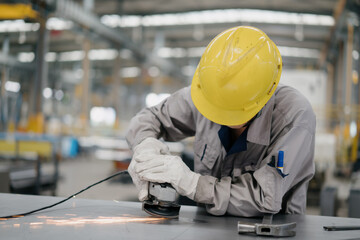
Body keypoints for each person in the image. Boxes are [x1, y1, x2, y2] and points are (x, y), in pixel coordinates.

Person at [126, 26, 316, 217]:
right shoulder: (207, 94)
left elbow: (265, 197)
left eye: (233, 112)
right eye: (219, 109)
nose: (223, 118)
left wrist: (194, 184)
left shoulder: (295, 117)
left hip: (273, 231)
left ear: (265, 95)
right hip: (207, 227)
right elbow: (149, 117)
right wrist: (145, 145)